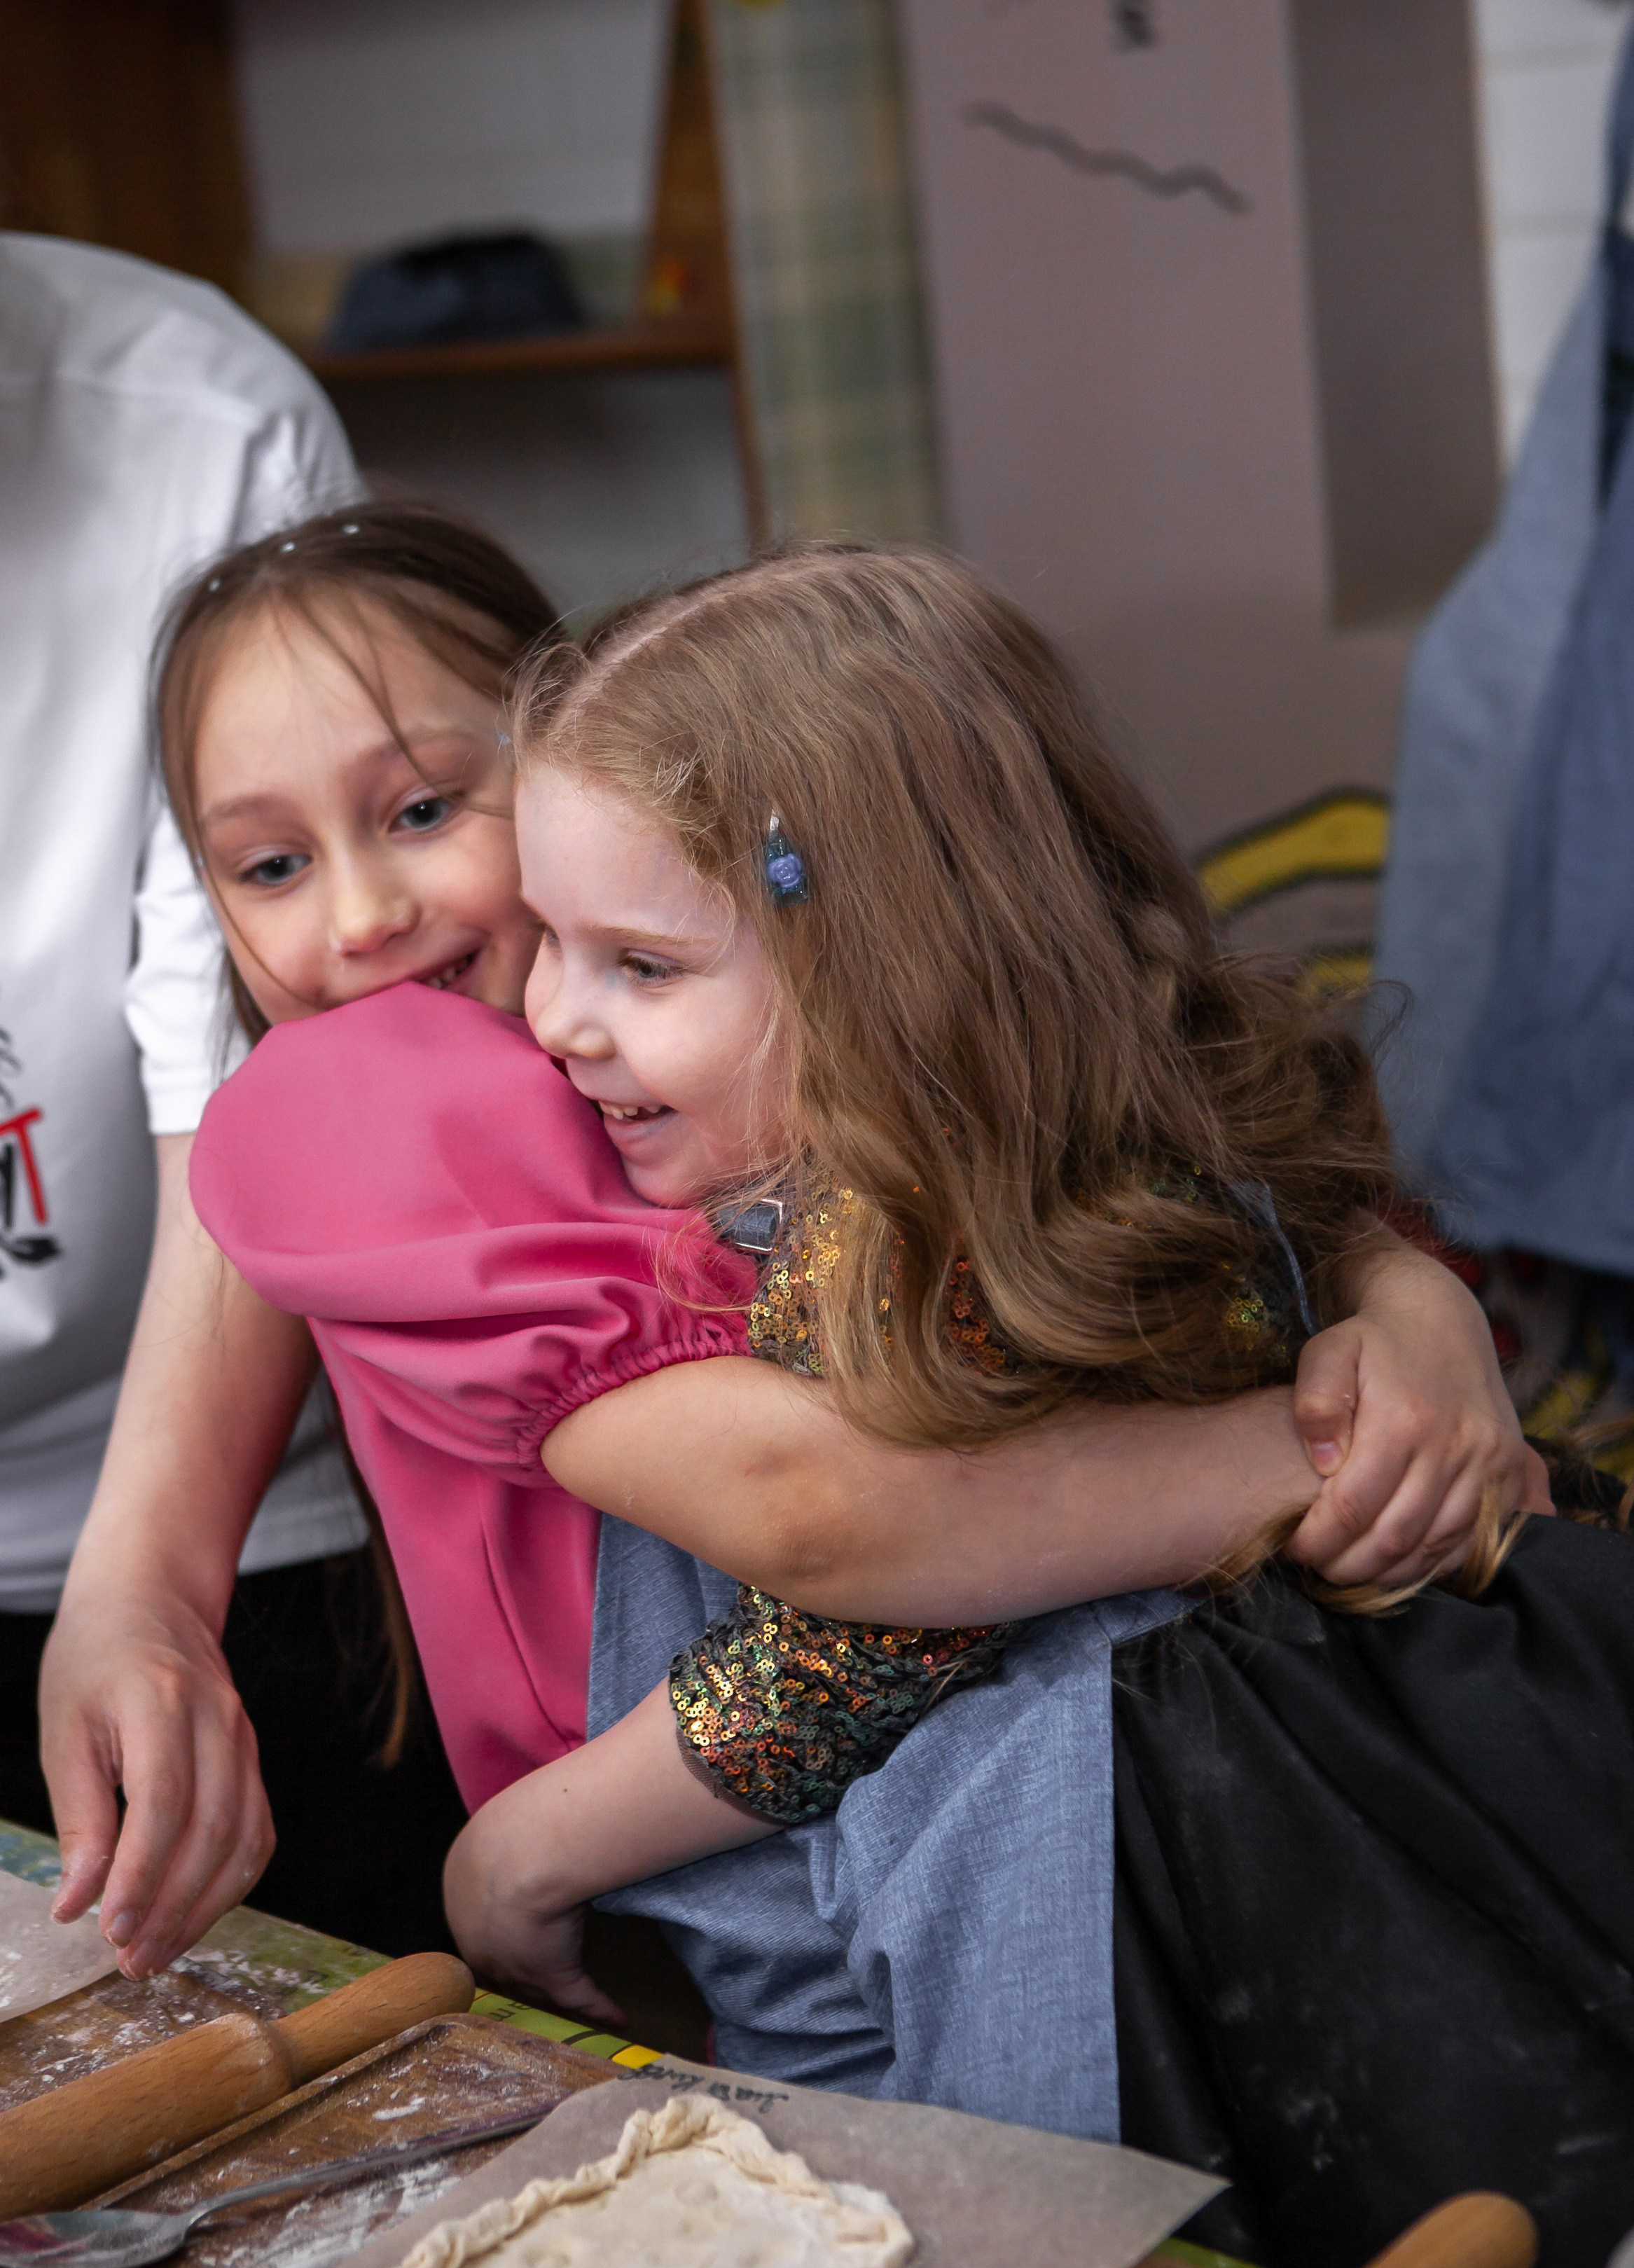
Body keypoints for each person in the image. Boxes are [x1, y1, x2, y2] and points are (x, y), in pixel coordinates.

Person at [83, 511, 1527, 1992]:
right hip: (724, 1863)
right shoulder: (365, 1096)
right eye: (266, 865)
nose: (368, 915)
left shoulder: (824, 1069)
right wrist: (1334, 1455)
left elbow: (1249, 1179)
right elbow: (840, 1522)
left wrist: (1407, 1308)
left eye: (426, 811)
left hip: (1081, 1832)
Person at [0, 233, 464, 1956]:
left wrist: (144, 1575)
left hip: (229, 1487)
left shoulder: (195, 420)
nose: (368, 900)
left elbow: (235, 1043)